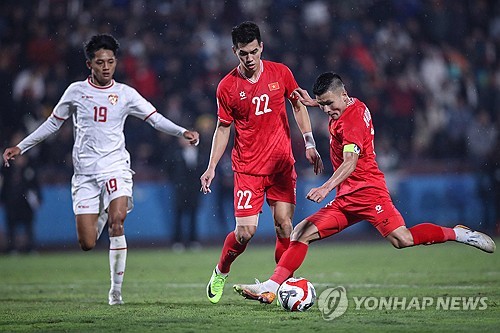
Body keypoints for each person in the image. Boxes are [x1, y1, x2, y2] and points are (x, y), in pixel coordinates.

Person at [233, 72, 496, 304]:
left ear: (343, 95)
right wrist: (316, 102)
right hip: (346, 198)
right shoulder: (348, 103)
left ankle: (459, 234)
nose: (325, 110)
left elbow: (350, 162)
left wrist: (325, 187)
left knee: (401, 240)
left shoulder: (353, 119)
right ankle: (270, 287)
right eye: (322, 105)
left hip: (369, 193)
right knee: (301, 232)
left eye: (328, 104)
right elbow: (334, 103)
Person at [2, 34, 199, 305]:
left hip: (116, 166)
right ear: (89, 64)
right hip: (84, 174)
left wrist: (182, 131)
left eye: (110, 61)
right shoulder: (75, 92)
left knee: (118, 221)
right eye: (100, 62)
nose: (106, 67)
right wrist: (20, 147)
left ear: (115, 62)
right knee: (87, 242)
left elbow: (155, 119)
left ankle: (115, 292)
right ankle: (103, 214)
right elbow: (51, 124)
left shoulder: (126, 94)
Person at [200, 21, 323, 304]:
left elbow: (297, 104)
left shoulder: (281, 73)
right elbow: (222, 128)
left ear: (261, 47)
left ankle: (277, 284)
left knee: (284, 226)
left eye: (253, 52)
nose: (249, 58)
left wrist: (309, 142)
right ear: (234, 52)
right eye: (243, 53)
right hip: (248, 168)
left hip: (281, 165)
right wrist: (210, 167)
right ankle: (221, 270)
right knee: (245, 232)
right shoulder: (227, 87)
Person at [0, 131, 42, 254]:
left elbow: (34, 180)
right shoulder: (6, 159)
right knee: (11, 224)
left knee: (28, 223)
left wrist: (38, 196)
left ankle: (30, 247)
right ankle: (12, 248)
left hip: (25, 198)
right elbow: (4, 179)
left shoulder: (29, 159)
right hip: (11, 197)